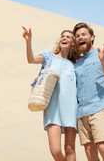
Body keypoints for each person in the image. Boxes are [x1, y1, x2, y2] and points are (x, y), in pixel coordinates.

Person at [22, 26, 78, 161]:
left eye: (68, 37)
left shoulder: (75, 63)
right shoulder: (49, 56)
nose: (64, 38)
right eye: (62, 36)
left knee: (70, 149)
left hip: (71, 108)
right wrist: (28, 41)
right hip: (52, 108)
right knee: (56, 151)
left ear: (73, 43)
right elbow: (31, 59)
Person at [73, 22, 104, 161]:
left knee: (103, 147)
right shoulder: (76, 63)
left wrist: (103, 61)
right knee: (89, 152)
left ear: (92, 37)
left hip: (100, 108)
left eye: (84, 34)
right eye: (78, 36)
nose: (81, 37)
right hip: (82, 112)